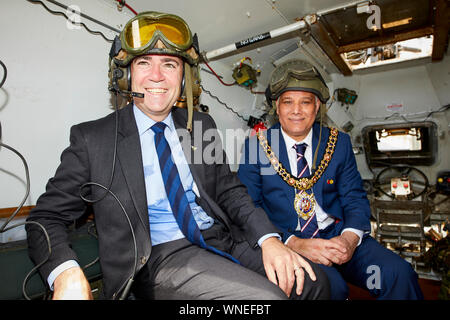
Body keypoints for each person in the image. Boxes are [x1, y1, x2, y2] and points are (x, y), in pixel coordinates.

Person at [25, 12, 330, 300]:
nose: (157, 76)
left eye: (170, 64)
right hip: (159, 256)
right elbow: (45, 218)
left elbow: (229, 190)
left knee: (312, 282)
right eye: (144, 63)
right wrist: (64, 271)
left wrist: (269, 239)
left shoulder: (200, 125)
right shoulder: (93, 138)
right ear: (125, 76)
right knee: (267, 298)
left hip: (221, 239)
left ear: (185, 79)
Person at [237, 59, 424, 300]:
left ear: (317, 108)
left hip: (338, 238)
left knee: (396, 274)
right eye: (288, 102)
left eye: (305, 102)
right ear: (277, 107)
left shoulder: (338, 143)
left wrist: (349, 238)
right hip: (290, 241)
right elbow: (248, 208)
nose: (296, 110)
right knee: (333, 289)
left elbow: (354, 197)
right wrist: (293, 243)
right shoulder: (256, 148)